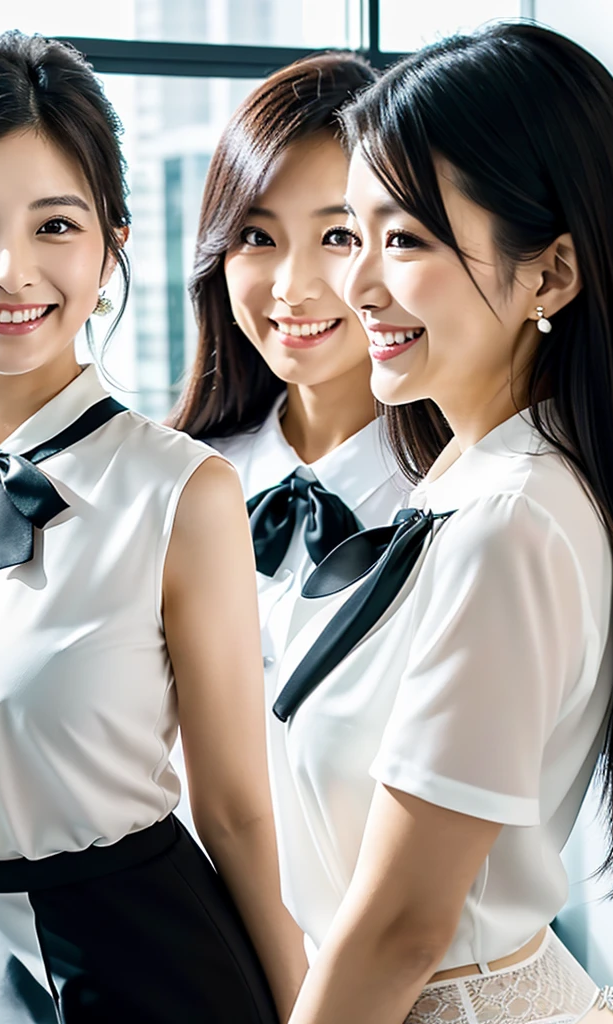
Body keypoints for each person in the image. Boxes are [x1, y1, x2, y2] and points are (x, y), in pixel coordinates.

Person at [0, 31, 307, 1024]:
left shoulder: (181, 493)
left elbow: (235, 812)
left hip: (148, 975)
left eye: (55, 225)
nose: (11, 269)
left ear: (109, 245)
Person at [272, 23, 613, 1024]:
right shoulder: (471, 471)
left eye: (405, 239)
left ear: (548, 275)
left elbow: (405, 923)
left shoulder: (511, 516)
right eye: (353, 234)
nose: (354, 285)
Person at [169, 52, 407, 854]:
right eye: (256, 237)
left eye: (337, 235)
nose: (292, 287)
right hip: (186, 934)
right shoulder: (176, 480)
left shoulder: (452, 502)